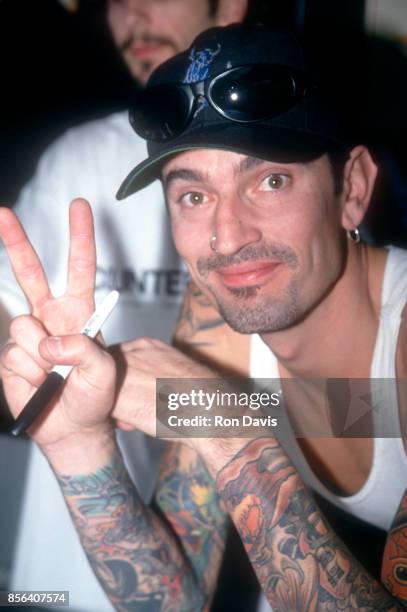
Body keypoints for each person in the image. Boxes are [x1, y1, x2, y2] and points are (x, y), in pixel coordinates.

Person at [1, 23, 406, 611]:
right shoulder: (220, 324)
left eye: (270, 181)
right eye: (193, 195)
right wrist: (78, 443)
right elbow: (173, 598)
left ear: (352, 188)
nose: (227, 237)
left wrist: (227, 429)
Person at [0, 2, 248, 610]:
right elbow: (13, 308)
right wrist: (35, 347)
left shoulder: (289, 152)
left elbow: (353, 406)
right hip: (65, 577)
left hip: (252, 568)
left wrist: (200, 405)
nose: (131, 14)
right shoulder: (77, 157)